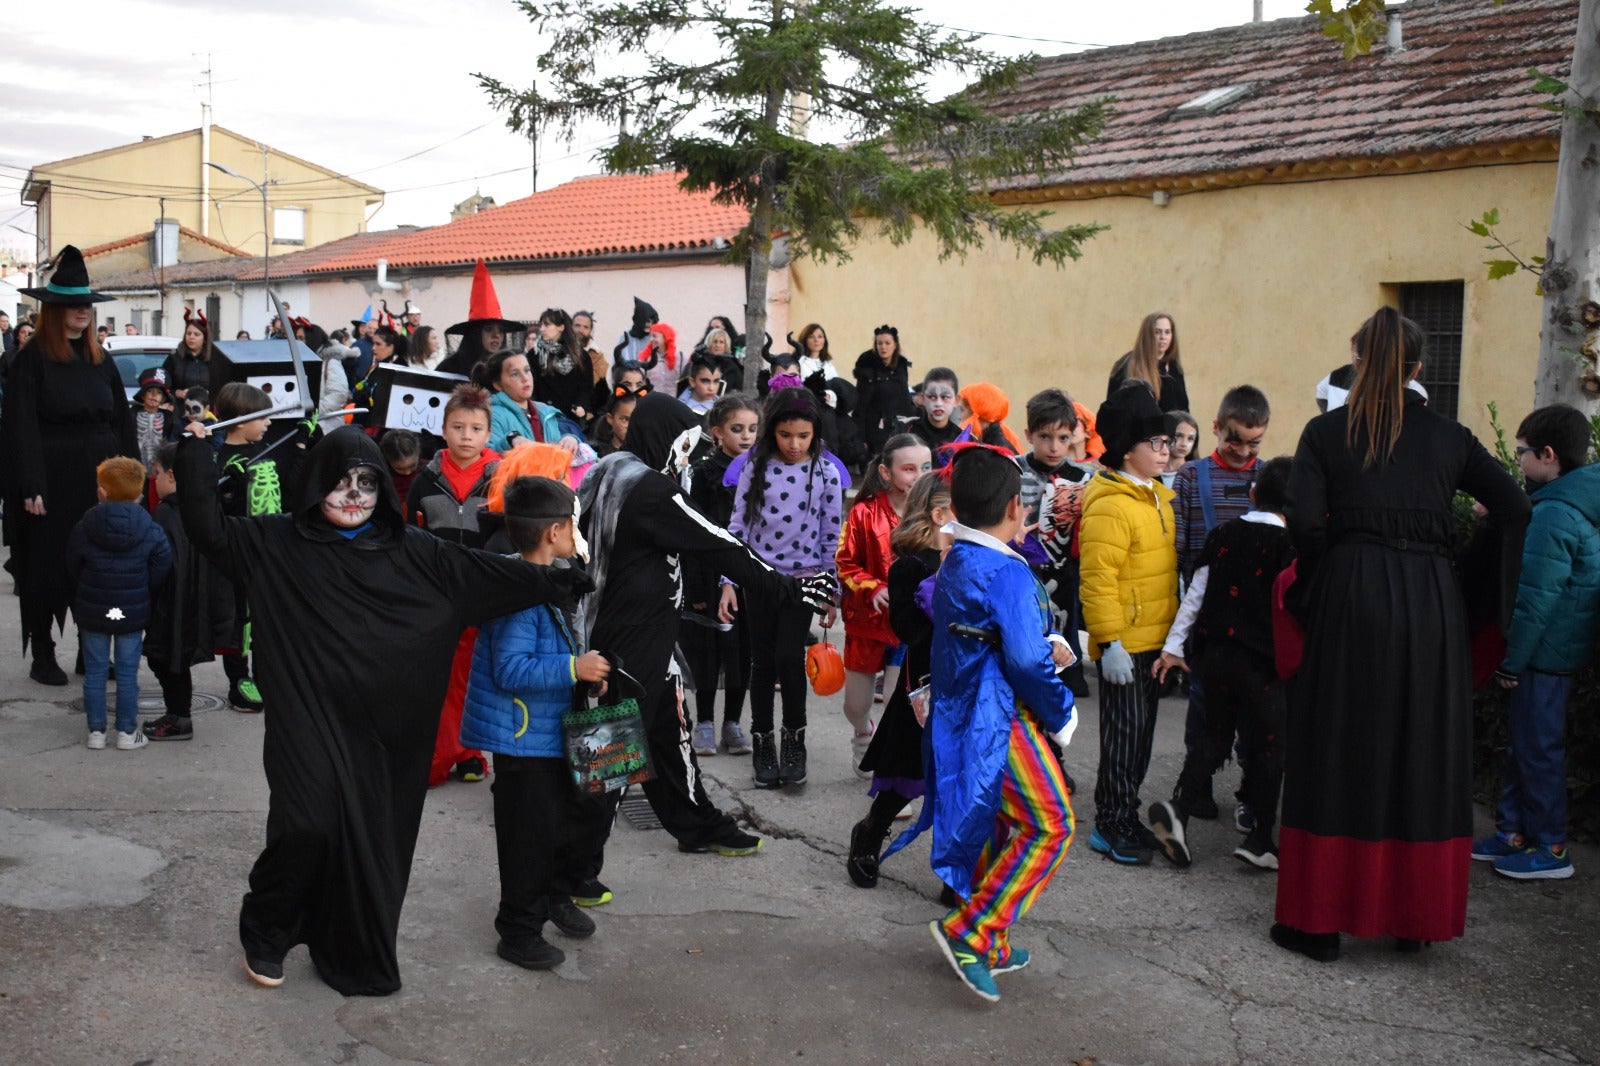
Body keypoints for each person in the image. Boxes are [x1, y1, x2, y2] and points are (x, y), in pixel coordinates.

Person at [174, 423, 587, 995]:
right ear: (318, 484)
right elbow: (206, 528)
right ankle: (267, 928)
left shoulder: (412, 552)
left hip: (383, 735)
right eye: (340, 482)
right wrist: (198, 451)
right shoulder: (273, 543)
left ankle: (341, 941)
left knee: (370, 840)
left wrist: (554, 582)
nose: (352, 495)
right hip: (307, 723)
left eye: (366, 483)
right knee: (306, 828)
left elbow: (480, 573)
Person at [1273, 307, 1528, 962]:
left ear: (1356, 360)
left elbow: (1302, 521)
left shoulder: (1326, 434)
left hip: (1350, 595)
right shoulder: (1451, 438)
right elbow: (1514, 506)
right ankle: (1413, 919)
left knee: (1337, 747)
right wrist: (1464, 573)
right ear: (1420, 366)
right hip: (1431, 603)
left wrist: (1329, 571)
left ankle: (1319, 924)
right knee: (1421, 748)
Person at [576, 394, 835, 885]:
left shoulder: (607, 469)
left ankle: (696, 824)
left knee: (671, 739)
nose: (688, 453)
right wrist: (789, 585)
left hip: (645, 639)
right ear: (667, 438)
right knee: (607, 763)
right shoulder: (650, 489)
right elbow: (719, 542)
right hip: (620, 652)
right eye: (685, 442)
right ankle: (573, 874)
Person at [883, 444, 1077, 1003]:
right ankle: (972, 932)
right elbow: (1022, 662)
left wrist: (1043, 646)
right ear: (1017, 507)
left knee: (999, 823)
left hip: (960, 716)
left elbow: (985, 640)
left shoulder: (958, 560)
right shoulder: (1005, 572)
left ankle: (987, 941)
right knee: (1051, 824)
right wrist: (1061, 713)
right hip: (1001, 722)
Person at [461, 473, 610, 971]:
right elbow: (510, 669)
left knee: (569, 821)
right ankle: (518, 931)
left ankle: (556, 896)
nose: (577, 536)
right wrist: (575, 668)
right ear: (554, 532)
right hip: (525, 742)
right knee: (527, 839)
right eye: (573, 526)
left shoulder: (551, 574)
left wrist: (585, 677)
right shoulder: (518, 591)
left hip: (556, 730)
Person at [1148, 456, 1296, 871]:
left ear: (1252, 493)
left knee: (1212, 739)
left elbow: (1195, 594)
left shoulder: (1222, 534)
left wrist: (1174, 647)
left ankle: (1180, 808)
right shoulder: (1294, 549)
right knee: (1270, 748)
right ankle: (1261, 836)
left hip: (1213, 658)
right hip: (1264, 667)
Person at [1474, 404, 1599, 881]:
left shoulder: (1556, 516)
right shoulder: (1567, 503)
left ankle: (1551, 847)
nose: (1518, 462)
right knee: (1524, 745)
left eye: (1522, 453)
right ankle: (1512, 833)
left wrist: (1512, 662)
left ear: (1548, 455)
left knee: (1539, 749)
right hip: (1548, 655)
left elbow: (1535, 602)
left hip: (1544, 659)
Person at [1, 245, 135, 685]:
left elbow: (122, 418)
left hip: (98, 476)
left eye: (86, 305)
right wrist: (31, 485)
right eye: (72, 305)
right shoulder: (30, 361)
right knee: (48, 564)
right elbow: (20, 429)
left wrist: (128, 478)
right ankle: (43, 652)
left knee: (98, 565)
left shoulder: (102, 360)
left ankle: (90, 650)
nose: (82, 312)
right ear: (53, 310)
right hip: (52, 478)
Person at [1079, 385, 1179, 866]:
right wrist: (1110, 642)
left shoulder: (1158, 497)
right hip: (1125, 643)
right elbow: (1097, 582)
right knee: (1121, 736)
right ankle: (1110, 821)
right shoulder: (1111, 504)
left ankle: (1127, 809)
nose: (1166, 451)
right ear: (1126, 449)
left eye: (1167, 442)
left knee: (1141, 737)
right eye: (1155, 443)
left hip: (1153, 641)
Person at [726, 387, 846, 788]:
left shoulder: (826, 473)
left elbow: (831, 537)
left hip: (804, 579)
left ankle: (795, 741)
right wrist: (728, 580)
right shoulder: (753, 467)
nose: (794, 445)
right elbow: (737, 527)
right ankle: (764, 744)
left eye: (803, 436)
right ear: (771, 432)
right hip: (758, 577)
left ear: (815, 434)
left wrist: (831, 589)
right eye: (785, 435)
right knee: (761, 661)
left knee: (788, 658)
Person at [1168, 386, 1270, 827]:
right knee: (1204, 704)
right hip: (1206, 612)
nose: (1243, 449)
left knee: (1255, 711)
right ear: (1216, 427)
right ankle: (1200, 783)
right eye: (1235, 438)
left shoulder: (1269, 478)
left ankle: (1252, 791)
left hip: (1255, 619)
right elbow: (1180, 547)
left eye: (1253, 442)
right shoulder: (1191, 478)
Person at [847, 471, 952, 886]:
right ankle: (871, 830)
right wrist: (941, 593)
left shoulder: (974, 557)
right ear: (938, 513)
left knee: (958, 785)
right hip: (924, 686)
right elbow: (907, 630)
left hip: (969, 686)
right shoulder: (911, 565)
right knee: (907, 777)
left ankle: (954, 871)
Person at [406, 383, 503, 786]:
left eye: (476, 429)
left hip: (483, 593)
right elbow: (408, 537)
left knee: (476, 677)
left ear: (488, 434)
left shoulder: (501, 478)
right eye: (458, 427)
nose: (467, 436)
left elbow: (509, 536)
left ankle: (468, 752)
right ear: (443, 430)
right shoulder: (424, 481)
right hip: (436, 594)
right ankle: (440, 755)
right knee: (441, 676)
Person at [837, 434, 931, 777]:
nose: (919, 476)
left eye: (925, 467)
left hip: (910, 623)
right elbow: (845, 563)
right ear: (886, 472)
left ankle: (890, 770)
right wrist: (872, 587)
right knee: (856, 704)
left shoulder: (934, 514)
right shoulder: (864, 513)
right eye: (909, 469)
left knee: (897, 700)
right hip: (867, 622)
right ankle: (863, 735)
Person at [65, 456, 172, 751]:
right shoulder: (148, 527)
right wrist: (143, 589)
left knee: (96, 671)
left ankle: (96, 732)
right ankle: (127, 731)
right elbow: (162, 561)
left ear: (102, 490)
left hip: (94, 608)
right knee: (127, 671)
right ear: (139, 492)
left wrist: (87, 587)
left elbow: (73, 562)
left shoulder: (85, 525)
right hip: (131, 609)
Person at [682, 395, 760, 757]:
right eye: (737, 429)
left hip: (747, 576)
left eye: (752, 429)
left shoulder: (760, 471)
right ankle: (704, 722)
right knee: (707, 653)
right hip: (710, 574)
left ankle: (732, 722)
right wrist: (696, 587)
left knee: (741, 652)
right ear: (717, 432)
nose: (746, 436)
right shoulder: (702, 473)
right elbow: (693, 533)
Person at [141, 443, 222, 741]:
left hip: (169, 602)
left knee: (166, 659)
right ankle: (177, 714)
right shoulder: (198, 507)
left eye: (157, 474)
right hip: (191, 600)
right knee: (172, 659)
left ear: (172, 476)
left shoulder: (165, 512)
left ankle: (180, 718)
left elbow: (157, 560)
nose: (154, 480)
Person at [1017, 389, 1092, 698]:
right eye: (1045, 437)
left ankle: (1068, 671)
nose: (1054, 446)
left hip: (1065, 569)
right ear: (1029, 435)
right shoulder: (1013, 469)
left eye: (1062, 438)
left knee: (1065, 620)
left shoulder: (1084, 478)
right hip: (1022, 567)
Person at [472, 349, 574, 455]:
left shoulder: (545, 412)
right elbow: (486, 454)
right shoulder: (492, 415)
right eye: (515, 374)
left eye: (527, 370)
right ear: (498, 384)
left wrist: (570, 439)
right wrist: (510, 441)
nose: (525, 378)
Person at [437, 261, 524, 378]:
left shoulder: (507, 368)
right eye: (489, 329)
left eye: (501, 331)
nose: (496, 335)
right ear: (475, 334)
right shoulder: (448, 368)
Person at [1108, 311, 1189, 414]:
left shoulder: (1174, 367)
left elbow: (1183, 409)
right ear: (1147, 334)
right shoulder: (1127, 365)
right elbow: (1114, 412)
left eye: (1167, 332)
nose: (1163, 337)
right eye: (1157, 332)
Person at [854, 324, 915, 455]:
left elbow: (904, 398)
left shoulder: (901, 367)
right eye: (879, 343)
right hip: (875, 430)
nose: (883, 347)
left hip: (899, 429)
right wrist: (861, 438)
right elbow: (861, 405)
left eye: (887, 343)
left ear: (895, 345)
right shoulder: (867, 370)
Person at [529, 308, 595, 424]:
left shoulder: (580, 356)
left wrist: (581, 406)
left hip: (570, 418)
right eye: (541, 325)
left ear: (561, 327)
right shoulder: (534, 354)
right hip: (542, 418)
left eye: (547, 325)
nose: (542, 329)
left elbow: (586, 388)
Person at [132, 367, 181, 473]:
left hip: (158, 470)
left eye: (159, 392)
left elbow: (172, 443)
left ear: (163, 399)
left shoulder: (169, 418)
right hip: (134, 467)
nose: (154, 395)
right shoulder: (131, 414)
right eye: (150, 391)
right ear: (143, 394)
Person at [908, 367, 962, 460]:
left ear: (956, 400)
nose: (938, 404)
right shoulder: (908, 432)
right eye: (932, 397)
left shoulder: (962, 439)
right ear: (922, 399)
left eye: (945, 397)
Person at [161, 309, 216, 400]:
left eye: (196, 334)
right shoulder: (174, 359)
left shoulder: (214, 360)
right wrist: (178, 393)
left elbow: (222, 388)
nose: (191, 337)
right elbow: (162, 386)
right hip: (179, 409)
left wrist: (209, 393)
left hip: (206, 409)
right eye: (188, 333)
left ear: (205, 338)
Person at [958, 382, 1024, 454]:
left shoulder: (996, 450)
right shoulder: (994, 442)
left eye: (962, 410)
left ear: (974, 413)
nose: (959, 417)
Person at [589, 391, 636, 458]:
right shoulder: (592, 453)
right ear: (610, 418)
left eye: (637, 419)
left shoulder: (648, 454)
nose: (631, 425)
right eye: (625, 419)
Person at [611, 296, 657, 364]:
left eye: (651, 321)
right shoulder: (625, 338)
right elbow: (618, 362)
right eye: (645, 320)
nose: (648, 324)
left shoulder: (654, 338)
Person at [379, 429, 422, 500]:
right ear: (388, 462)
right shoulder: (385, 480)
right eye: (400, 469)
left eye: (412, 466)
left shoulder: (428, 471)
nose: (407, 472)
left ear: (418, 454)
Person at [638, 321, 679, 396]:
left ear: (665, 338)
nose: (651, 339)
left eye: (654, 336)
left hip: (674, 404)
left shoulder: (681, 359)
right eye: (650, 336)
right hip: (652, 403)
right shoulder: (645, 359)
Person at [1162, 410, 1199, 486]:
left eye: (1190, 438)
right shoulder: (1148, 472)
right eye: (1178, 436)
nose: (1184, 444)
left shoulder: (1198, 475)